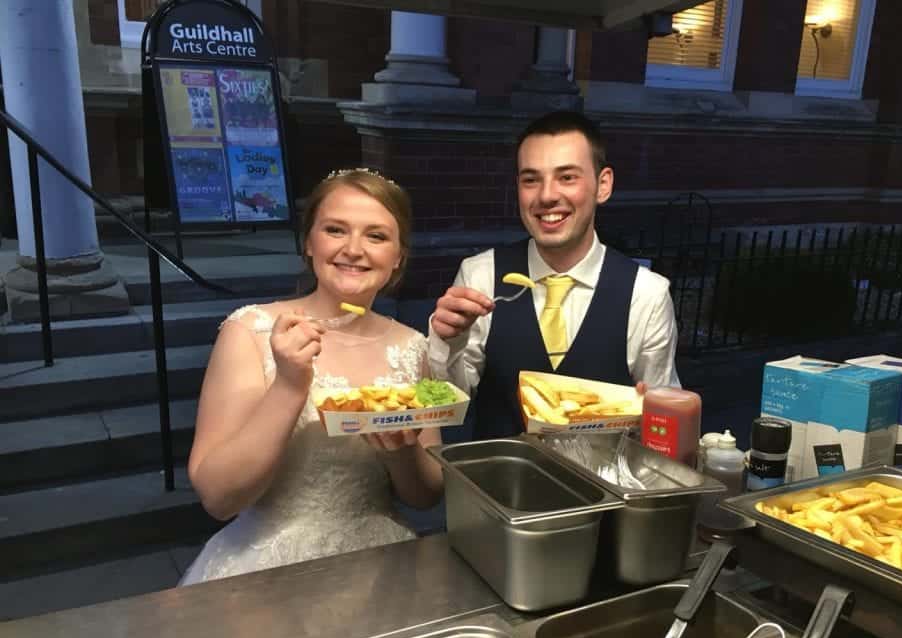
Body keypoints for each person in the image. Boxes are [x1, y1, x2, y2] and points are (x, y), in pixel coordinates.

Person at [182, 169, 443, 585]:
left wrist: (400, 451)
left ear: (398, 256)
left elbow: (426, 495)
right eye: (335, 229)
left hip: (378, 565)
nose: (353, 249)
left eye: (376, 236)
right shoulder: (250, 331)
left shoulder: (413, 346)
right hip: (268, 569)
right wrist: (288, 385)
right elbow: (219, 497)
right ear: (309, 242)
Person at [428, 111, 680, 439]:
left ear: (603, 185)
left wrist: (652, 417)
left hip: (604, 474)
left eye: (567, 177)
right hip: (500, 472)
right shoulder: (480, 275)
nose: (546, 195)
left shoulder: (646, 293)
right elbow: (451, 405)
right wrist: (449, 342)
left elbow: (663, 421)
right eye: (531, 180)